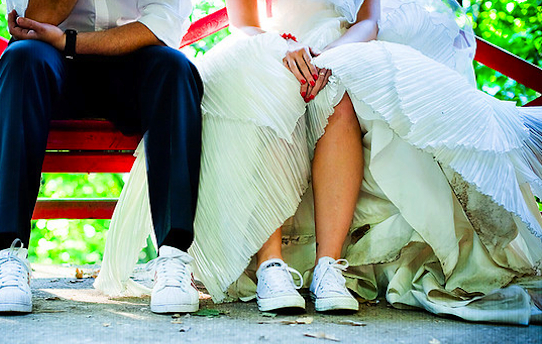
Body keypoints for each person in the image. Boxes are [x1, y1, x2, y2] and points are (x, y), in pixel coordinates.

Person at [96, 0, 542, 325]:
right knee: (266, 84)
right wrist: (281, 50)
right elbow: (244, 24)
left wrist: (327, 55)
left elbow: (368, 20)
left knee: (338, 93)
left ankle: (330, 267)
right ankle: (271, 265)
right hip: (271, 45)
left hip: (341, 44)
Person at [0, 0, 204, 315]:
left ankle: (173, 257)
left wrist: (70, 41)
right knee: (21, 58)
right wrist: (62, 44)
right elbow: (34, 21)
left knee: (175, 68)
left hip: (132, 60)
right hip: (50, 63)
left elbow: (161, 25)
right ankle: (9, 255)